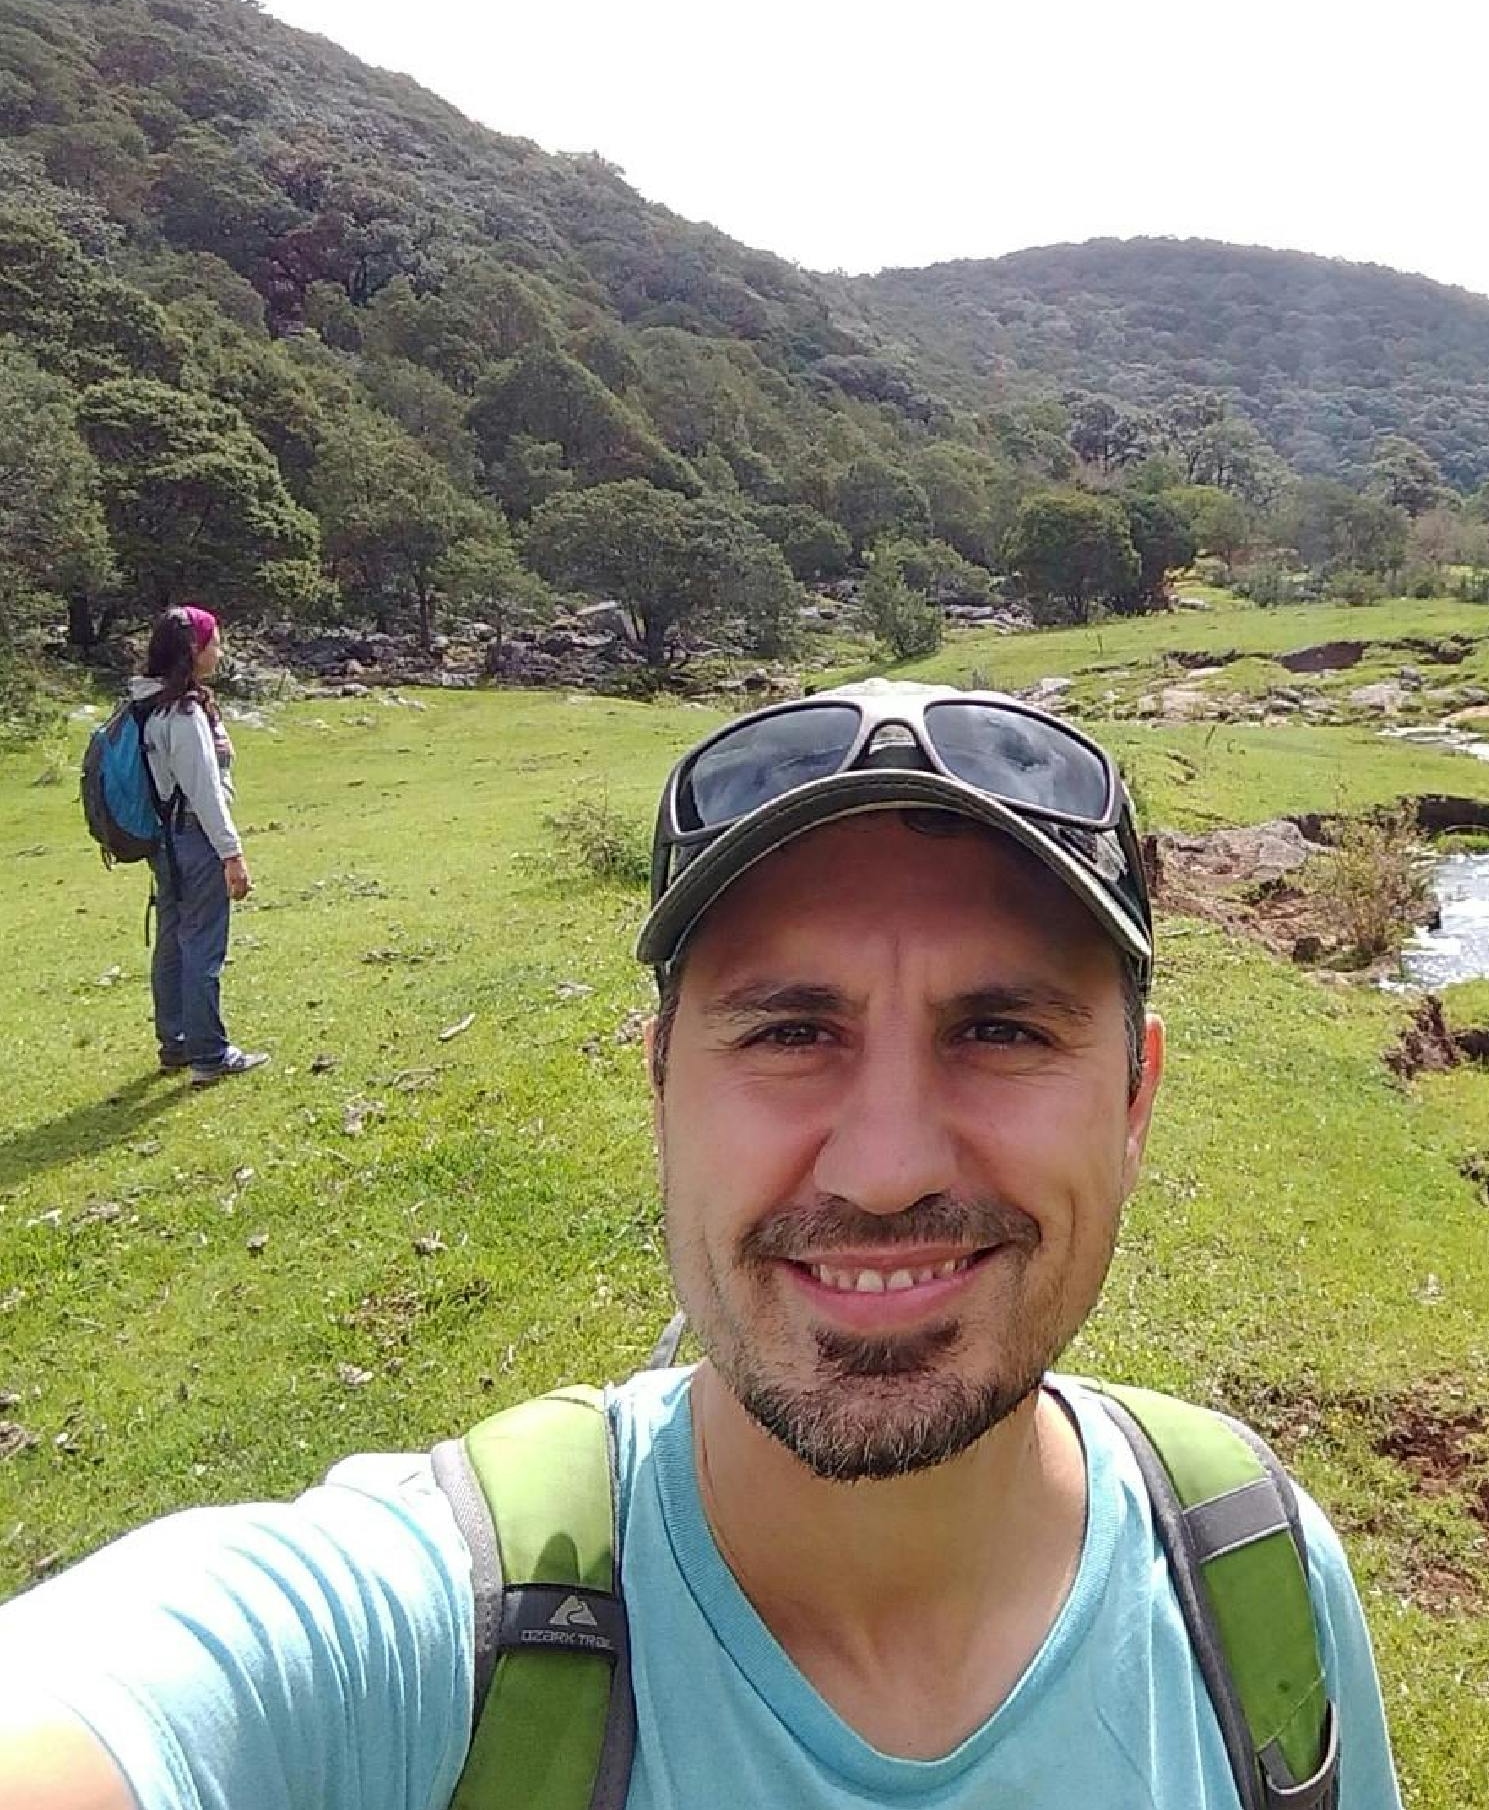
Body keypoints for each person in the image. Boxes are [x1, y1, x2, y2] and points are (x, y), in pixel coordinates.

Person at [0, 682, 1402, 1806]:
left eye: (1000, 1029)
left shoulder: (1253, 1575)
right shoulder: (417, 1643)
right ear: (662, 1078)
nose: (887, 1163)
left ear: (1134, 1097)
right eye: (791, 1031)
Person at [131, 605, 267, 1087]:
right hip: (194, 840)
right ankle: (211, 1053)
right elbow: (205, 793)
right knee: (202, 945)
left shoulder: (145, 704)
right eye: (214, 641)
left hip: (164, 843)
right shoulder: (183, 714)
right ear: (194, 649)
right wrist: (232, 855)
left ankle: (177, 1043)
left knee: (171, 941)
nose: (220, 650)